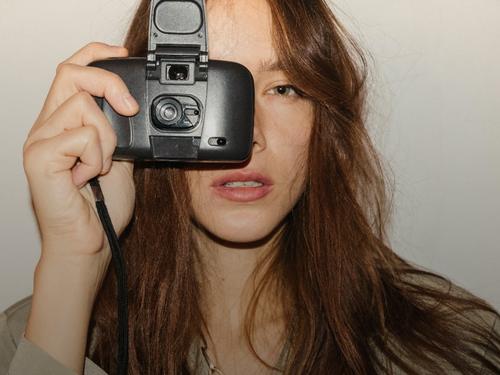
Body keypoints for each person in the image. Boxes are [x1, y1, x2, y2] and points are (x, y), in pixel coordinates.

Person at [1, 0, 500, 374]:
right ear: (140, 110)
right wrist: (74, 262)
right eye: (210, 89)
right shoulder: (36, 335)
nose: (251, 137)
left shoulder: (450, 350)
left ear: (326, 123)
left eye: (285, 89)